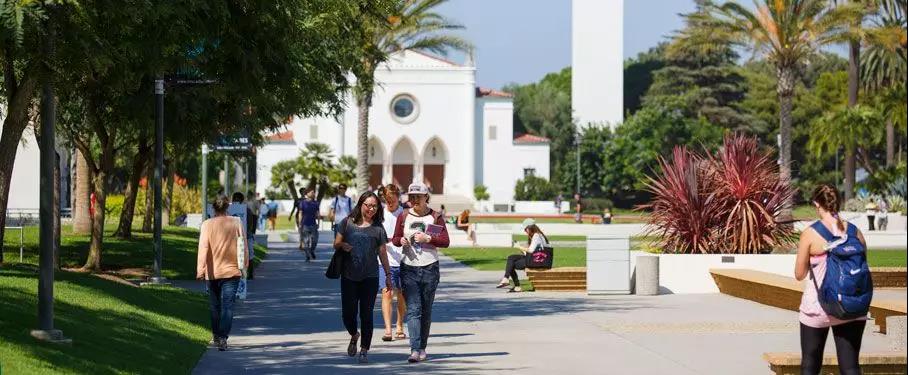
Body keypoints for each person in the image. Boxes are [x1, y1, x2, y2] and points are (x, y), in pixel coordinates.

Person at [795, 184, 868, 375]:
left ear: (817, 204)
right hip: (852, 306)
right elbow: (862, 266)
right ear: (839, 202)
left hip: (819, 308)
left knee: (810, 365)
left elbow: (799, 274)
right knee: (851, 366)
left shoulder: (810, 234)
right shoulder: (855, 232)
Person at [391, 182, 450, 363]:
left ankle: (422, 347)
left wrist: (428, 238)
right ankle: (415, 349)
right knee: (414, 310)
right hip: (409, 267)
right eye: (412, 197)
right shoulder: (404, 216)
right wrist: (401, 240)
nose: (415, 200)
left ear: (426, 197)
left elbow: (445, 241)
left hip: (430, 267)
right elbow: (395, 239)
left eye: (418, 196)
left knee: (426, 310)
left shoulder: (435, 216)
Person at [334, 191, 393, 364]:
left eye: (374, 206)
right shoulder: (347, 223)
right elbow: (336, 243)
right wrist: (343, 244)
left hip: (370, 276)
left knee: (367, 314)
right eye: (368, 205)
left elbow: (382, 252)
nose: (371, 209)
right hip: (349, 276)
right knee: (348, 315)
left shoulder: (378, 228)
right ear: (360, 205)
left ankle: (364, 350)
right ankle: (354, 334)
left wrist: (388, 275)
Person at [197, 195, 247, 351]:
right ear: (227, 207)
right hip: (232, 271)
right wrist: (244, 265)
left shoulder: (206, 225)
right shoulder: (236, 222)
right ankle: (223, 337)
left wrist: (200, 269)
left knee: (214, 306)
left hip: (213, 272)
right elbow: (242, 245)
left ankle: (217, 336)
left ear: (213, 208)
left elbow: (203, 247)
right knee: (228, 306)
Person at [379, 184, 407, 342]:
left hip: (403, 259)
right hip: (384, 259)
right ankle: (388, 329)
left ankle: (400, 325)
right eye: (387, 199)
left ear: (398, 198)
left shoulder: (404, 214)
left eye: (393, 200)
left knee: (402, 294)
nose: (390, 202)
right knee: (387, 292)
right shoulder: (379, 213)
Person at [497, 218, 549, 292]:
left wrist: (519, 247)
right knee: (511, 257)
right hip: (536, 258)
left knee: (511, 264)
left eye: (525, 229)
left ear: (530, 228)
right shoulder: (538, 235)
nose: (525, 231)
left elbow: (531, 251)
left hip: (537, 261)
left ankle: (515, 284)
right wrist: (521, 248)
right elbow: (531, 252)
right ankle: (506, 279)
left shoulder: (536, 236)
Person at [231, 192, 256, 279]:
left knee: (249, 254)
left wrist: (248, 232)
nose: (236, 201)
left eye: (238, 199)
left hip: (246, 235)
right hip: (236, 236)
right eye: (235, 199)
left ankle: (250, 273)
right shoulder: (230, 209)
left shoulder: (246, 210)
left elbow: (250, 222)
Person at [296, 188, 320, 261]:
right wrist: (300, 224)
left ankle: (312, 250)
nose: (313, 194)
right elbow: (300, 213)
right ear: (307, 194)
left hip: (313, 224)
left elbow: (318, 213)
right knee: (306, 241)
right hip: (305, 224)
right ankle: (307, 255)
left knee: (315, 240)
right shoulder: (302, 203)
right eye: (312, 192)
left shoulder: (316, 203)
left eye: (314, 192)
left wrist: (318, 223)